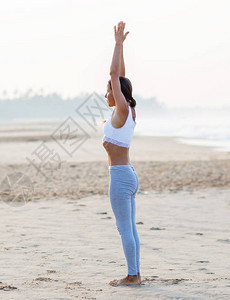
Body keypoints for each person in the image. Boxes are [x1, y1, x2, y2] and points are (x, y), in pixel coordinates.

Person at [102, 21, 141, 286]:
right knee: (129, 227)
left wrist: (117, 45)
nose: (106, 94)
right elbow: (121, 78)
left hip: (120, 176)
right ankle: (135, 273)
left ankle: (132, 276)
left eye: (108, 90)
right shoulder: (127, 111)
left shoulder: (123, 111)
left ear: (117, 93)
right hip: (128, 174)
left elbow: (116, 75)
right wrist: (122, 47)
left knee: (124, 228)